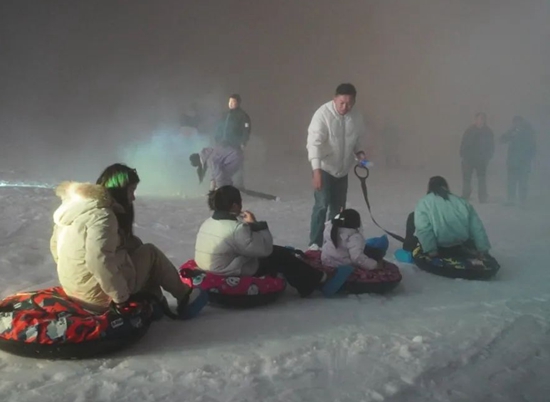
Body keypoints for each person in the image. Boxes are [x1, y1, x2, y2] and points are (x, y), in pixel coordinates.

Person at [50, 163, 208, 319]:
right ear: (119, 190)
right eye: (131, 190)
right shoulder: (103, 216)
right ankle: (185, 296)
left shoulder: (75, 210)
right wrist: (120, 298)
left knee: (137, 248)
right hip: (96, 297)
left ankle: (154, 298)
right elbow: (98, 261)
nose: (133, 197)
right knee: (151, 254)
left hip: (74, 288)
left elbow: (55, 248)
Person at [194, 185, 354, 297]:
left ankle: (307, 280)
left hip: (211, 265)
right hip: (228, 270)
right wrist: (255, 225)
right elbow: (265, 250)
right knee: (280, 255)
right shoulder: (236, 228)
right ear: (235, 205)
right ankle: (320, 280)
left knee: (280, 253)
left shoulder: (208, 222)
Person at [306, 83, 367, 250]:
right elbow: (314, 144)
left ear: (354, 101)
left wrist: (359, 153)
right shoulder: (322, 115)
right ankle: (315, 243)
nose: (345, 107)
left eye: (349, 103)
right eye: (342, 103)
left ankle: (331, 241)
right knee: (321, 205)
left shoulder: (356, 116)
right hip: (325, 168)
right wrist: (316, 170)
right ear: (334, 99)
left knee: (338, 209)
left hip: (343, 170)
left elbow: (357, 140)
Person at [413, 176, 491, 258]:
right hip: (462, 245)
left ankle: (408, 246)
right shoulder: (462, 202)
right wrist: (483, 249)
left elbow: (424, 229)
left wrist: (431, 250)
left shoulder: (424, 203)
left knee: (413, 217)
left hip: (440, 248)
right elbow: (476, 228)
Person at [214, 94, 251, 189]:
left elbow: (246, 130)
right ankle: (223, 183)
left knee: (237, 163)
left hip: (235, 143)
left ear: (238, 103)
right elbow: (219, 127)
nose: (231, 104)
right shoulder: (226, 115)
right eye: (229, 101)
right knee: (222, 163)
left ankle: (239, 185)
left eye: (233, 102)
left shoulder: (242, 115)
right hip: (223, 143)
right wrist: (217, 138)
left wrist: (243, 142)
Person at [501, 116, 537, 206]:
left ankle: (522, 200)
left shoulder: (529, 132)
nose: (516, 125)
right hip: (512, 162)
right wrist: (510, 132)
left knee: (523, 182)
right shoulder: (513, 132)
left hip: (523, 162)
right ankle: (511, 199)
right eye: (514, 123)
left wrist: (529, 159)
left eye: (517, 123)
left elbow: (533, 148)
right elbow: (502, 139)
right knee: (511, 181)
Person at [460, 112, 495, 203]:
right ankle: (465, 195)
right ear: (475, 119)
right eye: (479, 118)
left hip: (481, 159)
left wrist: (488, 156)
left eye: (482, 118)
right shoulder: (469, 130)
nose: (481, 120)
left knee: (481, 179)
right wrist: (463, 155)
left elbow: (491, 145)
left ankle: (482, 197)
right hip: (469, 159)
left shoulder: (488, 131)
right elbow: (464, 143)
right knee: (467, 178)